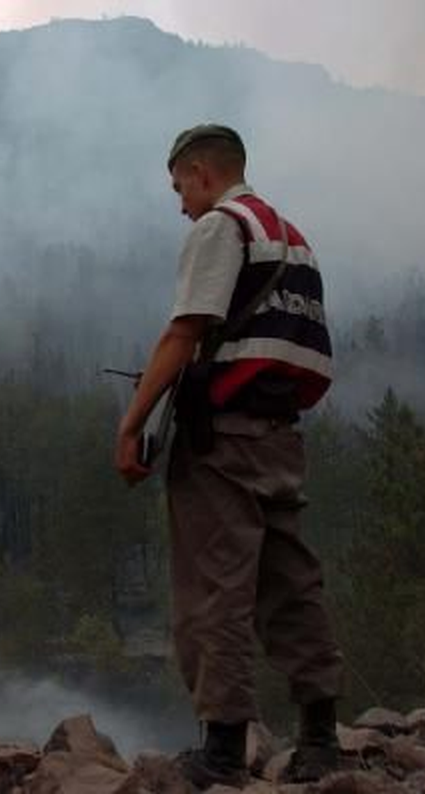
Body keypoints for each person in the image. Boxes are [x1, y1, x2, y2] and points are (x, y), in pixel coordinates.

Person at [114, 124, 345, 789]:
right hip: (280, 438)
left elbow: (185, 331)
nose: (179, 201)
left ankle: (220, 751)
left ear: (201, 172)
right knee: (291, 585)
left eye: (179, 185)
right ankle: (321, 737)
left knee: (215, 590)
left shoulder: (221, 228)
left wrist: (131, 425)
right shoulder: (291, 238)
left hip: (223, 442)